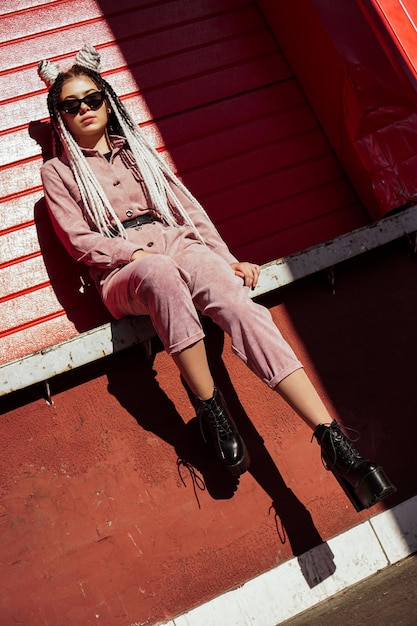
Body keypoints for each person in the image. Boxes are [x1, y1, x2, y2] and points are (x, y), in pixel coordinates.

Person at [38, 44, 395, 511]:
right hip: (122, 267)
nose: (84, 109)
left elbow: (190, 213)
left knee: (238, 303)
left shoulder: (140, 154)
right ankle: (211, 410)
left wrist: (226, 260)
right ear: (59, 115)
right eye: (71, 104)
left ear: (108, 100)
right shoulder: (58, 172)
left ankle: (333, 441)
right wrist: (134, 250)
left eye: (92, 98)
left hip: (174, 241)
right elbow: (80, 242)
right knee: (160, 270)